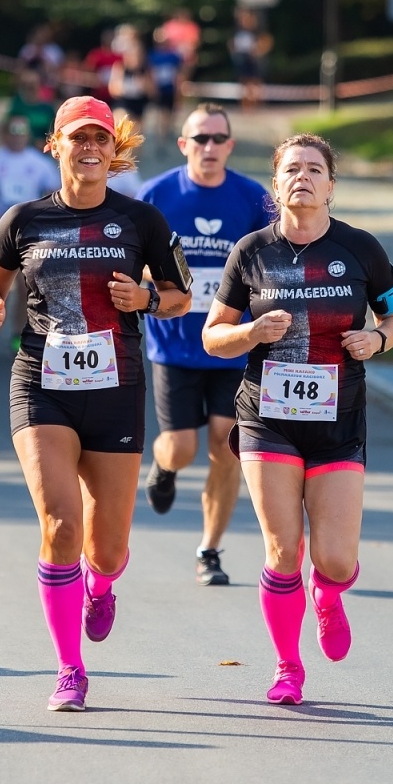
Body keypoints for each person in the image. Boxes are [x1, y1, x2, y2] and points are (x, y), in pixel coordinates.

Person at [0, 96, 190, 711]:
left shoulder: (141, 220)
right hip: (41, 384)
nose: (89, 148)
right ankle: (70, 668)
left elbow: (181, 295)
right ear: (56, 146)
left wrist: (145, 300)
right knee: (61, 525)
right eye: (78, 137)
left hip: (116, 388)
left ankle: (101, 584)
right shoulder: (22, 220)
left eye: (100, 138)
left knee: (108, 548)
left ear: (112, 149)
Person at [202, 133, 393, 706]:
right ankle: (287, 667)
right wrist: (250, 332)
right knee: (282, 549)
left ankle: (329, 593)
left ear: (331, 186)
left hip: (339, 418)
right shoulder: (251, 251)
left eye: (315, 169)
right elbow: (213, 336)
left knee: (336, 559)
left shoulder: (360, 248)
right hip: (267, 417)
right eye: (292, 169)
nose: (303, 177)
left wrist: (378, 339)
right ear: (275, 185)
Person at [137, 104, 273, 586]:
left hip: (233, 343)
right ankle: (164, 467)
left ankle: (209, 550)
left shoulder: (253, 198)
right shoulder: (156, 196)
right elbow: (131, 257)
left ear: (230, 145)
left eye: (218, 139)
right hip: (174, 343)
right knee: (180, 446)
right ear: (183, 145)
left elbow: (279, 255)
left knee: (226, 445)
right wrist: (160, 278)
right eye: (200, 139)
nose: (209, 147)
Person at [0, 116, 61, 347]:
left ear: (27, 134)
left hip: (28, 234)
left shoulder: (39, 162)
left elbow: (53, 196)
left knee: (24, 288)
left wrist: (41, 222)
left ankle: (18, 335)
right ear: (3, 134)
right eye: (12, 131)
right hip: (0, 233)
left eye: (21, 132)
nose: (17, 137)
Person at [230, 9, 271, 111]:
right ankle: (246, 105)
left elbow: (266, 42)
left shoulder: (257, 31)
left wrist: (258, 51)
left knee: (255, 82)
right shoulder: (237, 31)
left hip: (253, 59)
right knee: (244, 82)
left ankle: (257, 104)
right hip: (241, 59)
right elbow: (232, 44)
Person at [5, 69, 56, 146]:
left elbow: (53, 131)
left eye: (32, 84)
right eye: (25, 84)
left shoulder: (47, 109)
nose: (29, 87)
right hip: (22, 148)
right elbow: (7, 130)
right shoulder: (17, 107)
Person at [148, 35, 184, 137]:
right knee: (160, 113)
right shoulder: (152, 55)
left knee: (170, 112)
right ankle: (160, 135)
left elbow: (179, 73)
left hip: (170, 89)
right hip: (158, 89)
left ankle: (167, 133)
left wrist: (178, 90)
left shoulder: (174, 56)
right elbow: (150, 72)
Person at [82, 29, 122, 104]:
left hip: (115, 96)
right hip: (97, 95)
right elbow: (87, 72)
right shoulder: (96, 55)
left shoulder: (119, 57)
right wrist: (97, 79)